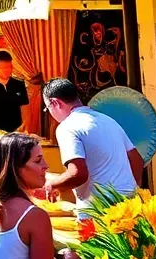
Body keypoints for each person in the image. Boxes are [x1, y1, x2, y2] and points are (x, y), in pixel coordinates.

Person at [42, 78, 142, 209]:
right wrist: (129, 189)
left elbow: (78, 174)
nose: (50, 113)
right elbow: (137, 160)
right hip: (130, 206)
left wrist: (53, 185)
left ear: (55, 103)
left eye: (48, 108)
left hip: (98, 211)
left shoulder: (67, 126)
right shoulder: (108, 120)